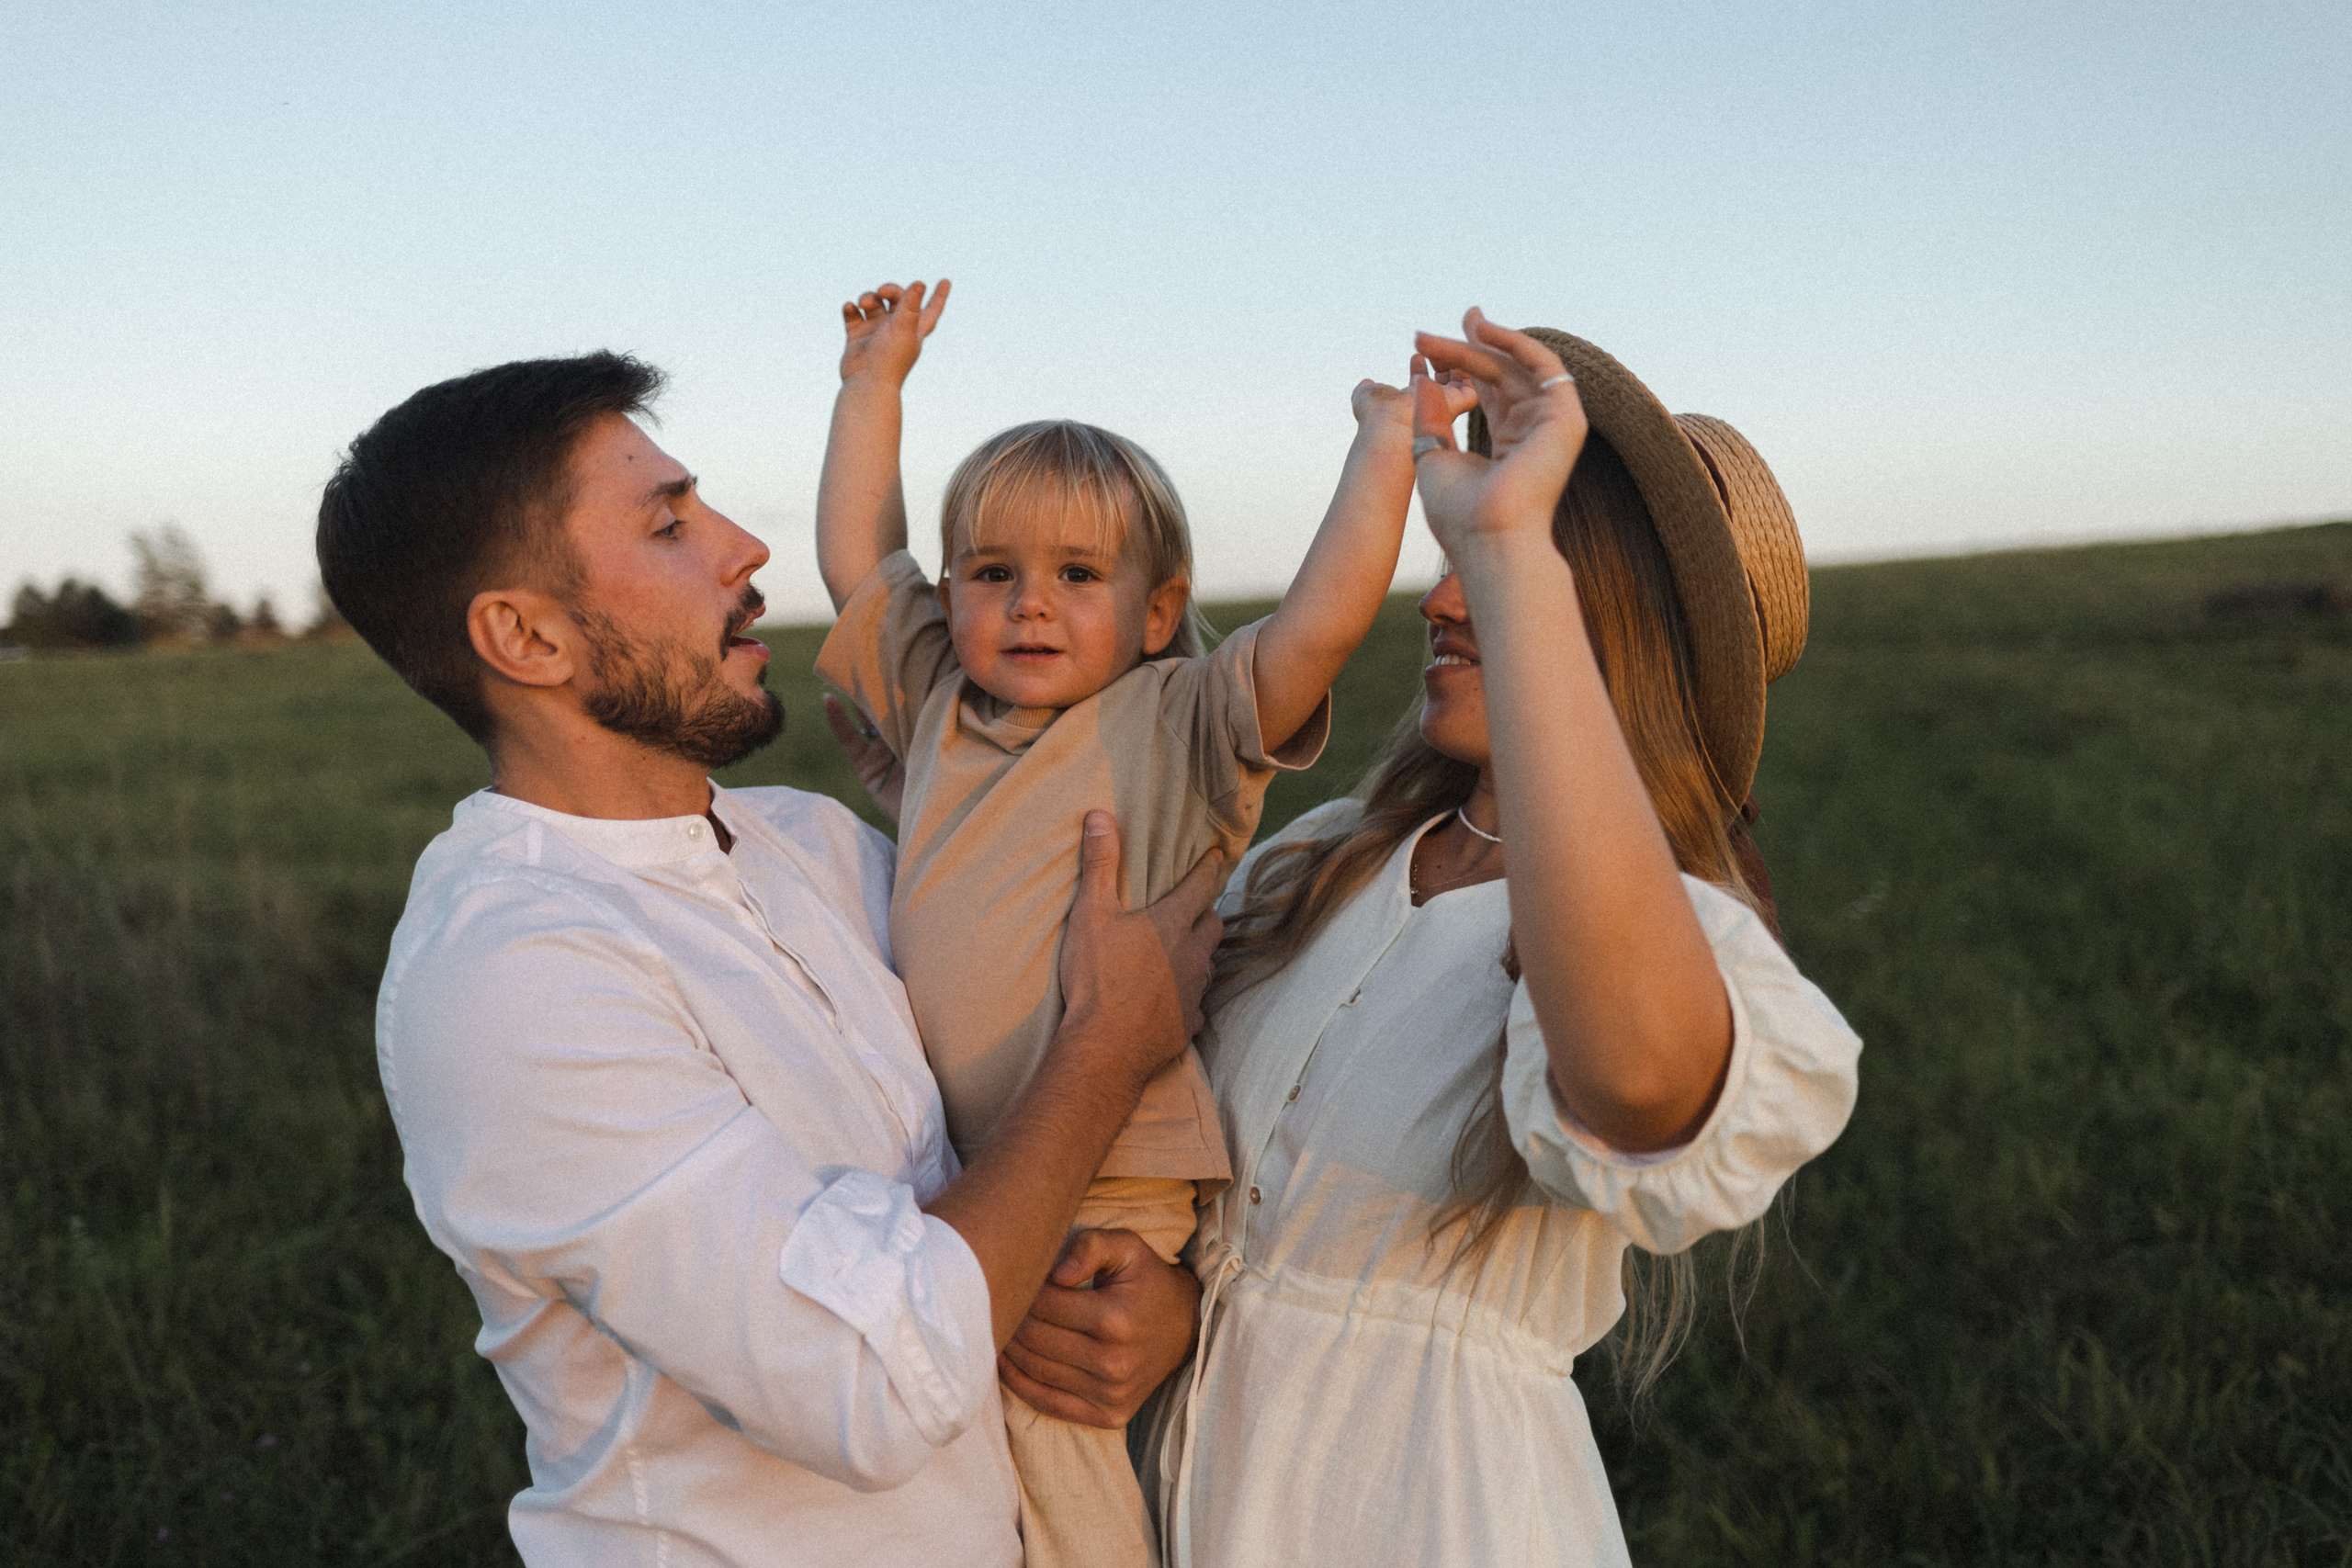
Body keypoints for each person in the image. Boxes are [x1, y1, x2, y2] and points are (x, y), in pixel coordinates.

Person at [316, 351, 1208, 1566]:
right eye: (672, 522)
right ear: (527, 635)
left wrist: (1159, 1304)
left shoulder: (816, 843)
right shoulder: (512, 972)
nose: (745, 548)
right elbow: (870, 1382)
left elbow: (1017, 1129)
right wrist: (1109, 1050)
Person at [1145, 314, 1865, 1566]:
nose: (1437, 600)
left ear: (1623, 636)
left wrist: (1507, 551)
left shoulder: (1652, 934)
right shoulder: (1324, 860)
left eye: (1507, 565)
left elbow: (1641, 1082)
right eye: (1458, 553)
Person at [809, 281, 1475, 1567]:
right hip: (974, 1160)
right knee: (983, 1457)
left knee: (1057, 1457)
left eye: (1077, 575)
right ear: (950, 596)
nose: (1031, 605)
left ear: (1158, 611)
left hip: (1104, 1163)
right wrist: (873, 387)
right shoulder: (939, 701)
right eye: (993, 574)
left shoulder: (1175, 723)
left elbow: (1321, 627)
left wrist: (1386, 446)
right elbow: (855, 558)